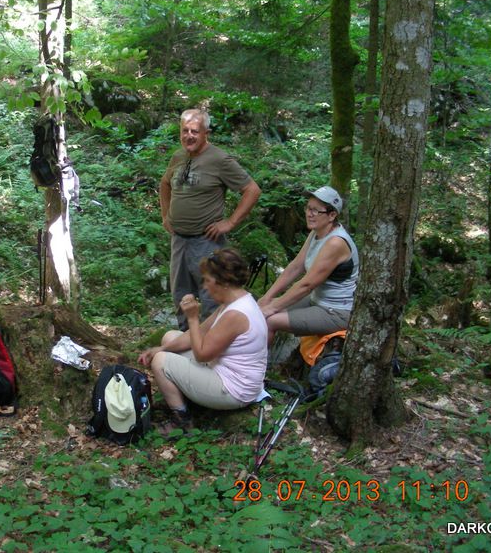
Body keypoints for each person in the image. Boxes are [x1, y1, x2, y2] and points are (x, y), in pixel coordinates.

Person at [138, 248, 268, 434]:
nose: (205, 287)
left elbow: (201, 355)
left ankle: (182, 421)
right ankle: (184, 393)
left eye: (207, 280)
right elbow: (201, 332)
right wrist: (161, 347)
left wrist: (192, 317)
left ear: (222, 281)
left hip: (234, 390)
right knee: (170, 337)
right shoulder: (235, 301)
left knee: (160, 361)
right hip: (223, 369)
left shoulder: (236, 314)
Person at [160, 109, 261, 330]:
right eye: (184, 131)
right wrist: (165, 215)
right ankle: (187, 343)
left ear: (206, 132)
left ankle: (211, 346)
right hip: (179, 240)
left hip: (206, 241)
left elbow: (252, 190)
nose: (189, 136)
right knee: (180, 294)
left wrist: (230, 222)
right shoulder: (178, 157)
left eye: (195, 131)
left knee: (210, 295)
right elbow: (165, 184)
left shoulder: (219, 159)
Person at [257, 186, 359, 347]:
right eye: (308, 208)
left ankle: (253, 369)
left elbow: (307, 285)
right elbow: (295, 267)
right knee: (262, 308)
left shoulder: (336, 243)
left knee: (269, 320)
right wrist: (268, 297)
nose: (309, 213)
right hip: (316, 301)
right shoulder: (316, 233)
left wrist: (272, 308)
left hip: (336, 311)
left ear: (332, 215)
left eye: (316, 211)